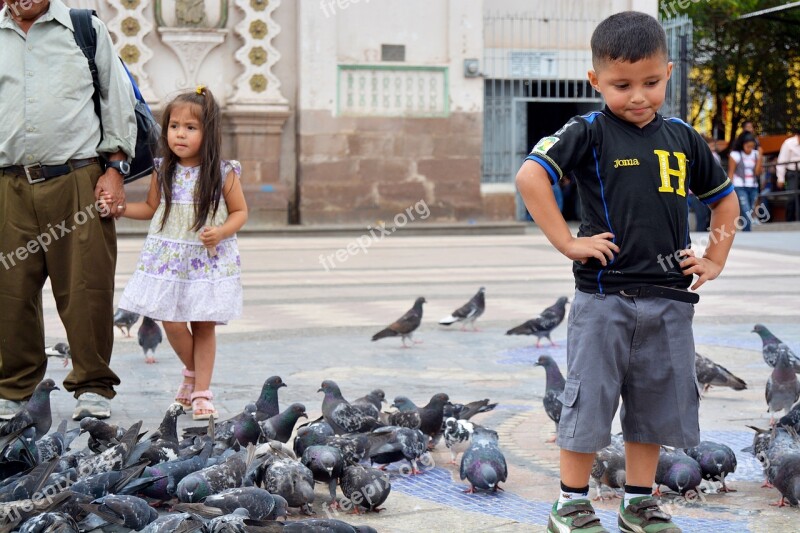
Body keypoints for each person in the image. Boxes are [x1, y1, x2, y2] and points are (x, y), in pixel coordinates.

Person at [515, 12, 739, 533]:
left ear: (669, 72)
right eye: (621, 85)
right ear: (595, 81)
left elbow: (726, 206)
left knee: (656, 405)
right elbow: (531, 177)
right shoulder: (587, 132)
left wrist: (714, 258)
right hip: (603, 299)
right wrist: (568, 242)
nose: (638, 96)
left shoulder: (683, 136)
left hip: (669, 299)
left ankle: (638, 503)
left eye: (651, 82)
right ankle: (570, 504)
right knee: (588, 400)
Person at [0, 0, 137, 420]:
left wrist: (114, 168)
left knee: (86, 286)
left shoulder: (83, 29)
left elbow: (117, 97)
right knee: (9, 289)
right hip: (8, 182)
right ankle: (15, 388)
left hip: (77, 178)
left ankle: (92, 385)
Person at [116, 86, 247, 421]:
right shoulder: (164, 170)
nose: (180, 134)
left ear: (209, 132)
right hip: (168, 260)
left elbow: (240, 213)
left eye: (190, 127)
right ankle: (192, 373)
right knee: (171, 322)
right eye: (174, 126)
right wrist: (119, 209)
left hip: (207, 261)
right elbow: (150, 208)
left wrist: (220, 231)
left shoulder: (222, 173)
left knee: (203, 325)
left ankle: (201, 391)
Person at [728, 133, 762, 231]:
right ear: (742, 144)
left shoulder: (755, 154)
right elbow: (731, 172)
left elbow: (757, 172)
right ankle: (747, 230)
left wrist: (759, 158)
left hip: (753, 185)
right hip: (740, 185)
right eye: (748, 146)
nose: (750, 149)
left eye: (752, 146)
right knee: (745, 208)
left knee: (751, 209)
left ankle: (746, 228)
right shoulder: (735, 155)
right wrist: (729, 189)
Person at [776, 130, 800, 221]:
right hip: (792, 173)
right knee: (792, 197)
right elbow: (782, 161)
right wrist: (780, 178)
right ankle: (790, 220)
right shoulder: (788, 143)